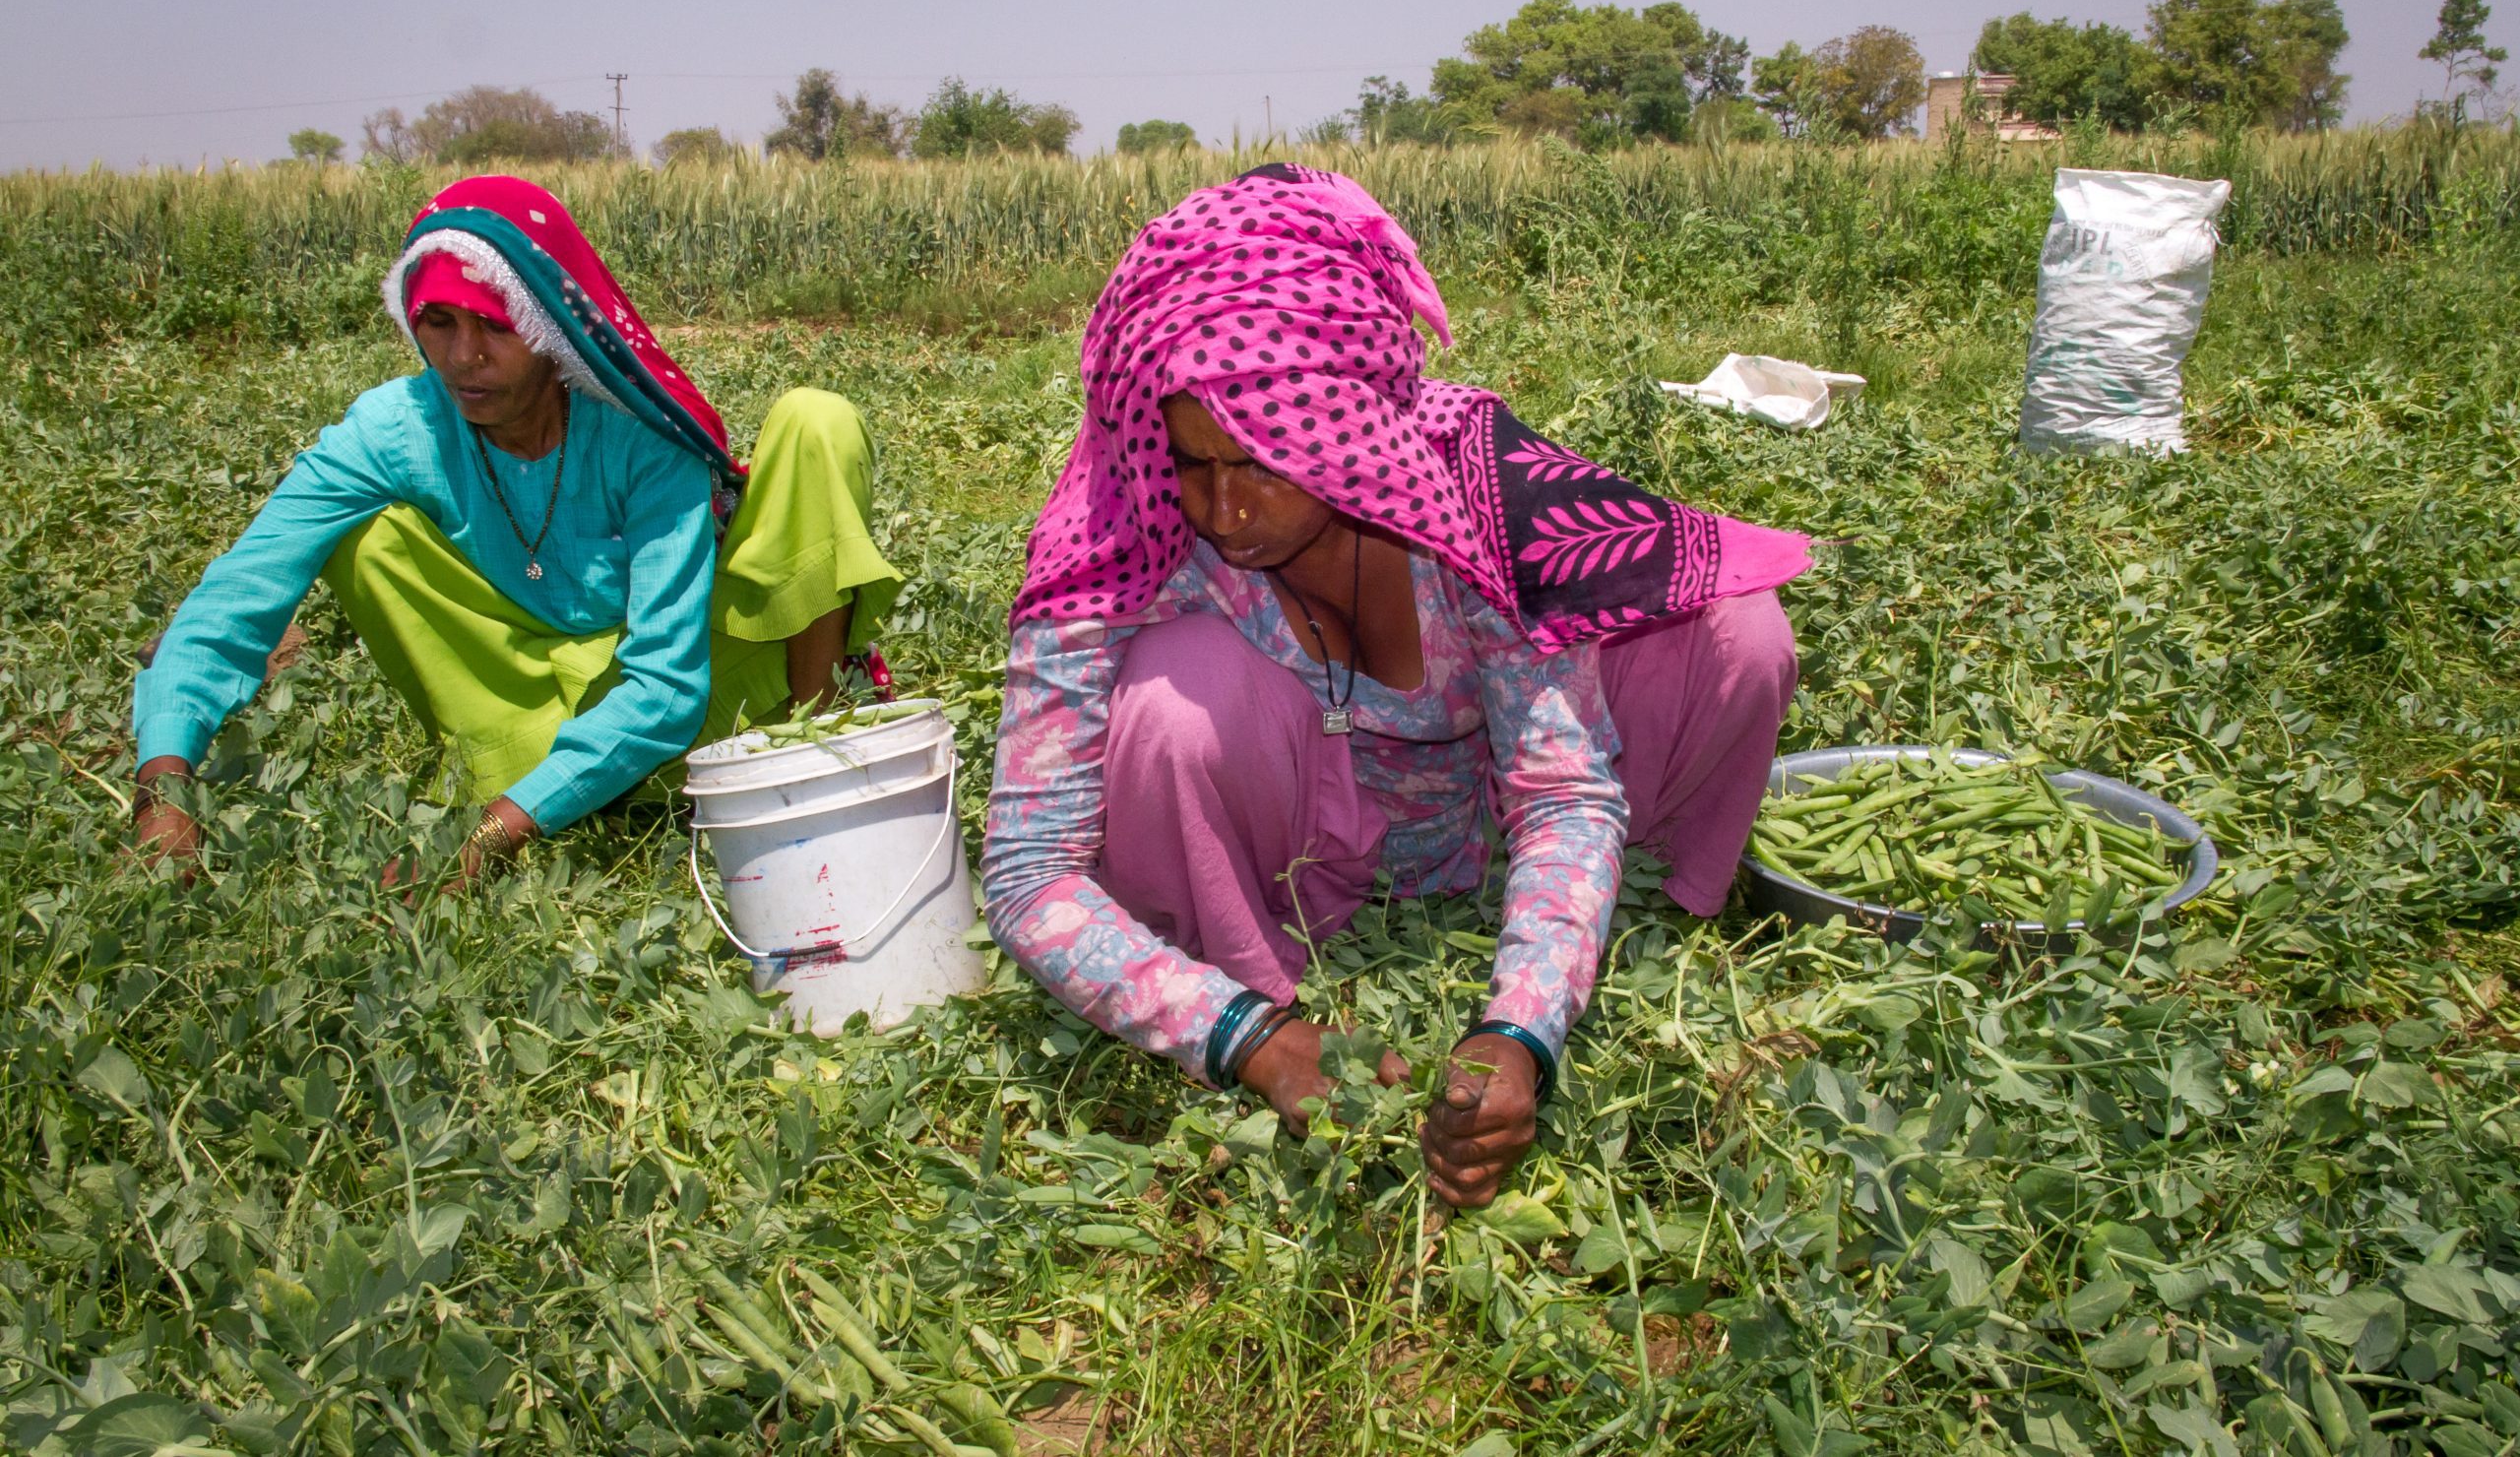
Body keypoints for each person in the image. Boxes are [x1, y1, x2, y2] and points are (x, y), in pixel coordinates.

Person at [981, 164, 1809, 1209]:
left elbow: (1561, 791)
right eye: (1195, 465)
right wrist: (1245, 1039)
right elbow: (1025, 873)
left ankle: (1639, 913)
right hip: (1284, 844)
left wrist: (1521, 1029)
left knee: (1735, 631)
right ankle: (1250, 965)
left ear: (1344, 431)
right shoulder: (1123, 530)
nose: (1224, 509)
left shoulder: (1470, 496)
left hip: (1480, 817)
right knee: (1169, 696)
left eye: (1259, 464)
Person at [132, 175, 900, 880]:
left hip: (706, 696)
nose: (464, 357)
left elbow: (666, 685)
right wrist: (163, 783)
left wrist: (488, 838)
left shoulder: (638, 434)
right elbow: (241, 588)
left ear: (549, 322)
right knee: (362, 533)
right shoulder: (398, 430)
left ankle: (808, 746)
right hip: (529, 713)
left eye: (494, 325)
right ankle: (539, 780)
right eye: (437, 321)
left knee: (815, 420)